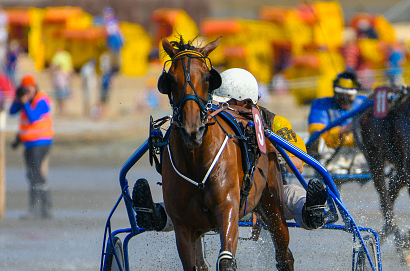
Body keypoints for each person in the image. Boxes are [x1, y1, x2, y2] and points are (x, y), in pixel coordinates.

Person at [132, 68, 327, 235]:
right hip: (216, 198)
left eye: (225, 104)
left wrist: (267, 149)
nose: (219, 109)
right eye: (218, 103)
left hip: (266, 195)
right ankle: (155, 216)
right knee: (183, 203)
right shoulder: (210, 124)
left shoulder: (274, 123)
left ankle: (310, 213)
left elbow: (298, 166)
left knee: (293, 194)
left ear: (246, 102)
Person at [9, 74, 54, 219]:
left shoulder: (42, 99)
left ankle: (42, 207)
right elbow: (11, 111)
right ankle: (38, 208)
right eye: (25, 89)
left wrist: (25, 102)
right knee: (32, 175)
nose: (27, 92)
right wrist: (18, 99)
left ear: (34, 87)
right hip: (29, 144)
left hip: (41, 143)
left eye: (29, 89)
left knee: (35, 174)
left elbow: (33, 118)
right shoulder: (25, 100)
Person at [307, 70, 368, 164]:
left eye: (349, 95)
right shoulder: (321, 105)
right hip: (330, 153)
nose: (345, 99)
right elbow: (317, 134)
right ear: (334, 91)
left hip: (360, 152)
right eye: (340, 95)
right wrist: (344, 130)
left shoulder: (365, 103)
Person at [49, 49, 73, 115]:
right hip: (60, 77)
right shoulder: (59, 56)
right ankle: (60, 110)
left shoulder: (63, 56)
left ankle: (62, 110)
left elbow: (57, 66)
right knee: (59, 95)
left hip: (62, 77)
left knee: (62, 95)